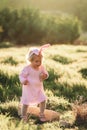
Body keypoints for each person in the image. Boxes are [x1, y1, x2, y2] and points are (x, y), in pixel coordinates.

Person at [19, 44, 50, 122]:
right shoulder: (27, 68)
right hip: (29, 88)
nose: (38, 63)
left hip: (39, 88)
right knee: (26, 103)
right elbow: (21, 75)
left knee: (43, 100)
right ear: (30, 60)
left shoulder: (41, 67)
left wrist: (45, 75)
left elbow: (46, 74)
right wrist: (23, 80)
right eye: (36, 61)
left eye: (40, 61)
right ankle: (24, 116)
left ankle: (41, 113)